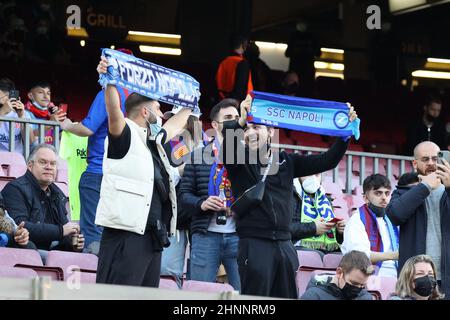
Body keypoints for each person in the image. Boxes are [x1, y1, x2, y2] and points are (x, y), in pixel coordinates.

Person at [221, 95, 358, 298]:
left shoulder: (287, 161)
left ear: (270, 132)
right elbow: (228, 148)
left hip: (285, 245)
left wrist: (344, 135)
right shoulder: (238, 161)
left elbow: (327, 161)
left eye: (256, 127)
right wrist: (240, 121)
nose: (250, 132)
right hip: (254, 243)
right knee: (255, 302)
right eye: (246, 128)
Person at [94, 56, 191, 287]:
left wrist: (191, 100)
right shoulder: (125, 132)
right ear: (145, 113)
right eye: (158, 109)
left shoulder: (154, 142)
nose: (162, 114)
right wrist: (109, 82)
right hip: (126, 235)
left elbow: (177, 124)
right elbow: (114, 110)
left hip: (152, 237)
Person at [58, 49, 132, 254]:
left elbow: (88, 128)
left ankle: (93, 279)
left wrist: (68, 125)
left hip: (99, 173)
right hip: (125, 176)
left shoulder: (109, 94)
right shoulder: (138, 99)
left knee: (93, 235)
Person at [178, 98, 242, 291]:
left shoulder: (248, 155)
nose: (234, 121)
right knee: (201, 293)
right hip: (205, 235)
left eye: (237, 117)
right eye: (228, 117)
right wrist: (202, 204)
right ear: (215, 124)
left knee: (243, 295)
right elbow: (184, 194)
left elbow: (255, 194)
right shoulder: (197, 156)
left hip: (240, 235)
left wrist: (239, 207)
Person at [386, 141, 450, 297]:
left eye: (435, 158)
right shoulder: (403, 192)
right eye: (425, 159)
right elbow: (395, 215)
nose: (431, 163)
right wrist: (424, 187)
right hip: (414, 278)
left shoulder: (448, 191)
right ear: (415, 163)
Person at [1, 144, 84, 253]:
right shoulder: (15, 189)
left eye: (53, 163)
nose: (49, 167)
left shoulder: (57, 193)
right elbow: (19, 227)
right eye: (43, 162)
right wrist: (61, 231)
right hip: (24, 250)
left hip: (47, 253)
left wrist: (73, 243)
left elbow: (65, 231)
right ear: (30, 165)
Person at [160, 105, 203, 287]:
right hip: (176, 219)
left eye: (177, 117)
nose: (172, 122)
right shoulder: (173, 142)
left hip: (201, 219)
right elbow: (174, 175)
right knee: (169, 272)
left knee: (199, 276)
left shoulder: (206, 144)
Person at [341, 174, 399, 277]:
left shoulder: (391, 220)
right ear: (365, 198)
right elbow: (359, 256)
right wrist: (394, 255)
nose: (384, 198)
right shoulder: (357, 220)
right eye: (378, 193)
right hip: (368, 277)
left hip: (398, 275)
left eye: (387, 193)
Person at [291, 174, 345, 258]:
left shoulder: (325, 200)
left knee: (343, 257)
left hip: (324, 250)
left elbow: (334, 240)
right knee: (318, 256)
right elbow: (284, 229)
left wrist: (339, 232)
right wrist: (314, 228)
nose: (312, 178)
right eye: (308, 173)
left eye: (316, 174)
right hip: (295, 246)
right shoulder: (290, 196)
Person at [301, 250, 374, 300]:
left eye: (362, 285)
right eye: (354, 283)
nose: (358, 289)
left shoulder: (365, 297)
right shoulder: (314, 296)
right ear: (339, 273)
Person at [25, 81, 66, 145]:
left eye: (48, 93)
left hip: (51, 153)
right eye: (41, 92)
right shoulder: (24, 113)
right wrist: (51, 123)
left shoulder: (51, 113)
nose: (46, 96)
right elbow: (30, 137)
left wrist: (63, 122)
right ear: (30, 95)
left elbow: (60, 137)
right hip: (34, 153)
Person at [0, 78, 34, 154]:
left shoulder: (23, 114)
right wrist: (2, 113)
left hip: (16, 160)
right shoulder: (2, 111)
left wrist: (21, 117)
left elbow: (30, 142)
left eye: (5, 96)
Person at [216, 34, 253, 101]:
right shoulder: (242, 63)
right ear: (243, 45)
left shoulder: (223, 61)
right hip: (237, 102)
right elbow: (240, 87)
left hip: (222, 99)